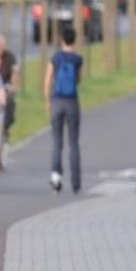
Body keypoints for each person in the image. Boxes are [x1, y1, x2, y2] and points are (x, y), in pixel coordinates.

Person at [43, 26, 83, 193]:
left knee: (57, 141)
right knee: (73, 142)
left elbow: (47, 80)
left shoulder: (56, 58)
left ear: (61, 40)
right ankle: (75, 182)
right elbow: (79, 80)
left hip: (57, 101)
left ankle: (56, 176)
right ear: (74, 40)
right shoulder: (78, 59)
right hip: (72, 101)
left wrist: (47, 100)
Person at [0, 33, 19, 143]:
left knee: (9, 100)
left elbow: (15, 74)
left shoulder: (10, 57)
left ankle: (5, 126)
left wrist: (13, 87)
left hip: (6, 88)